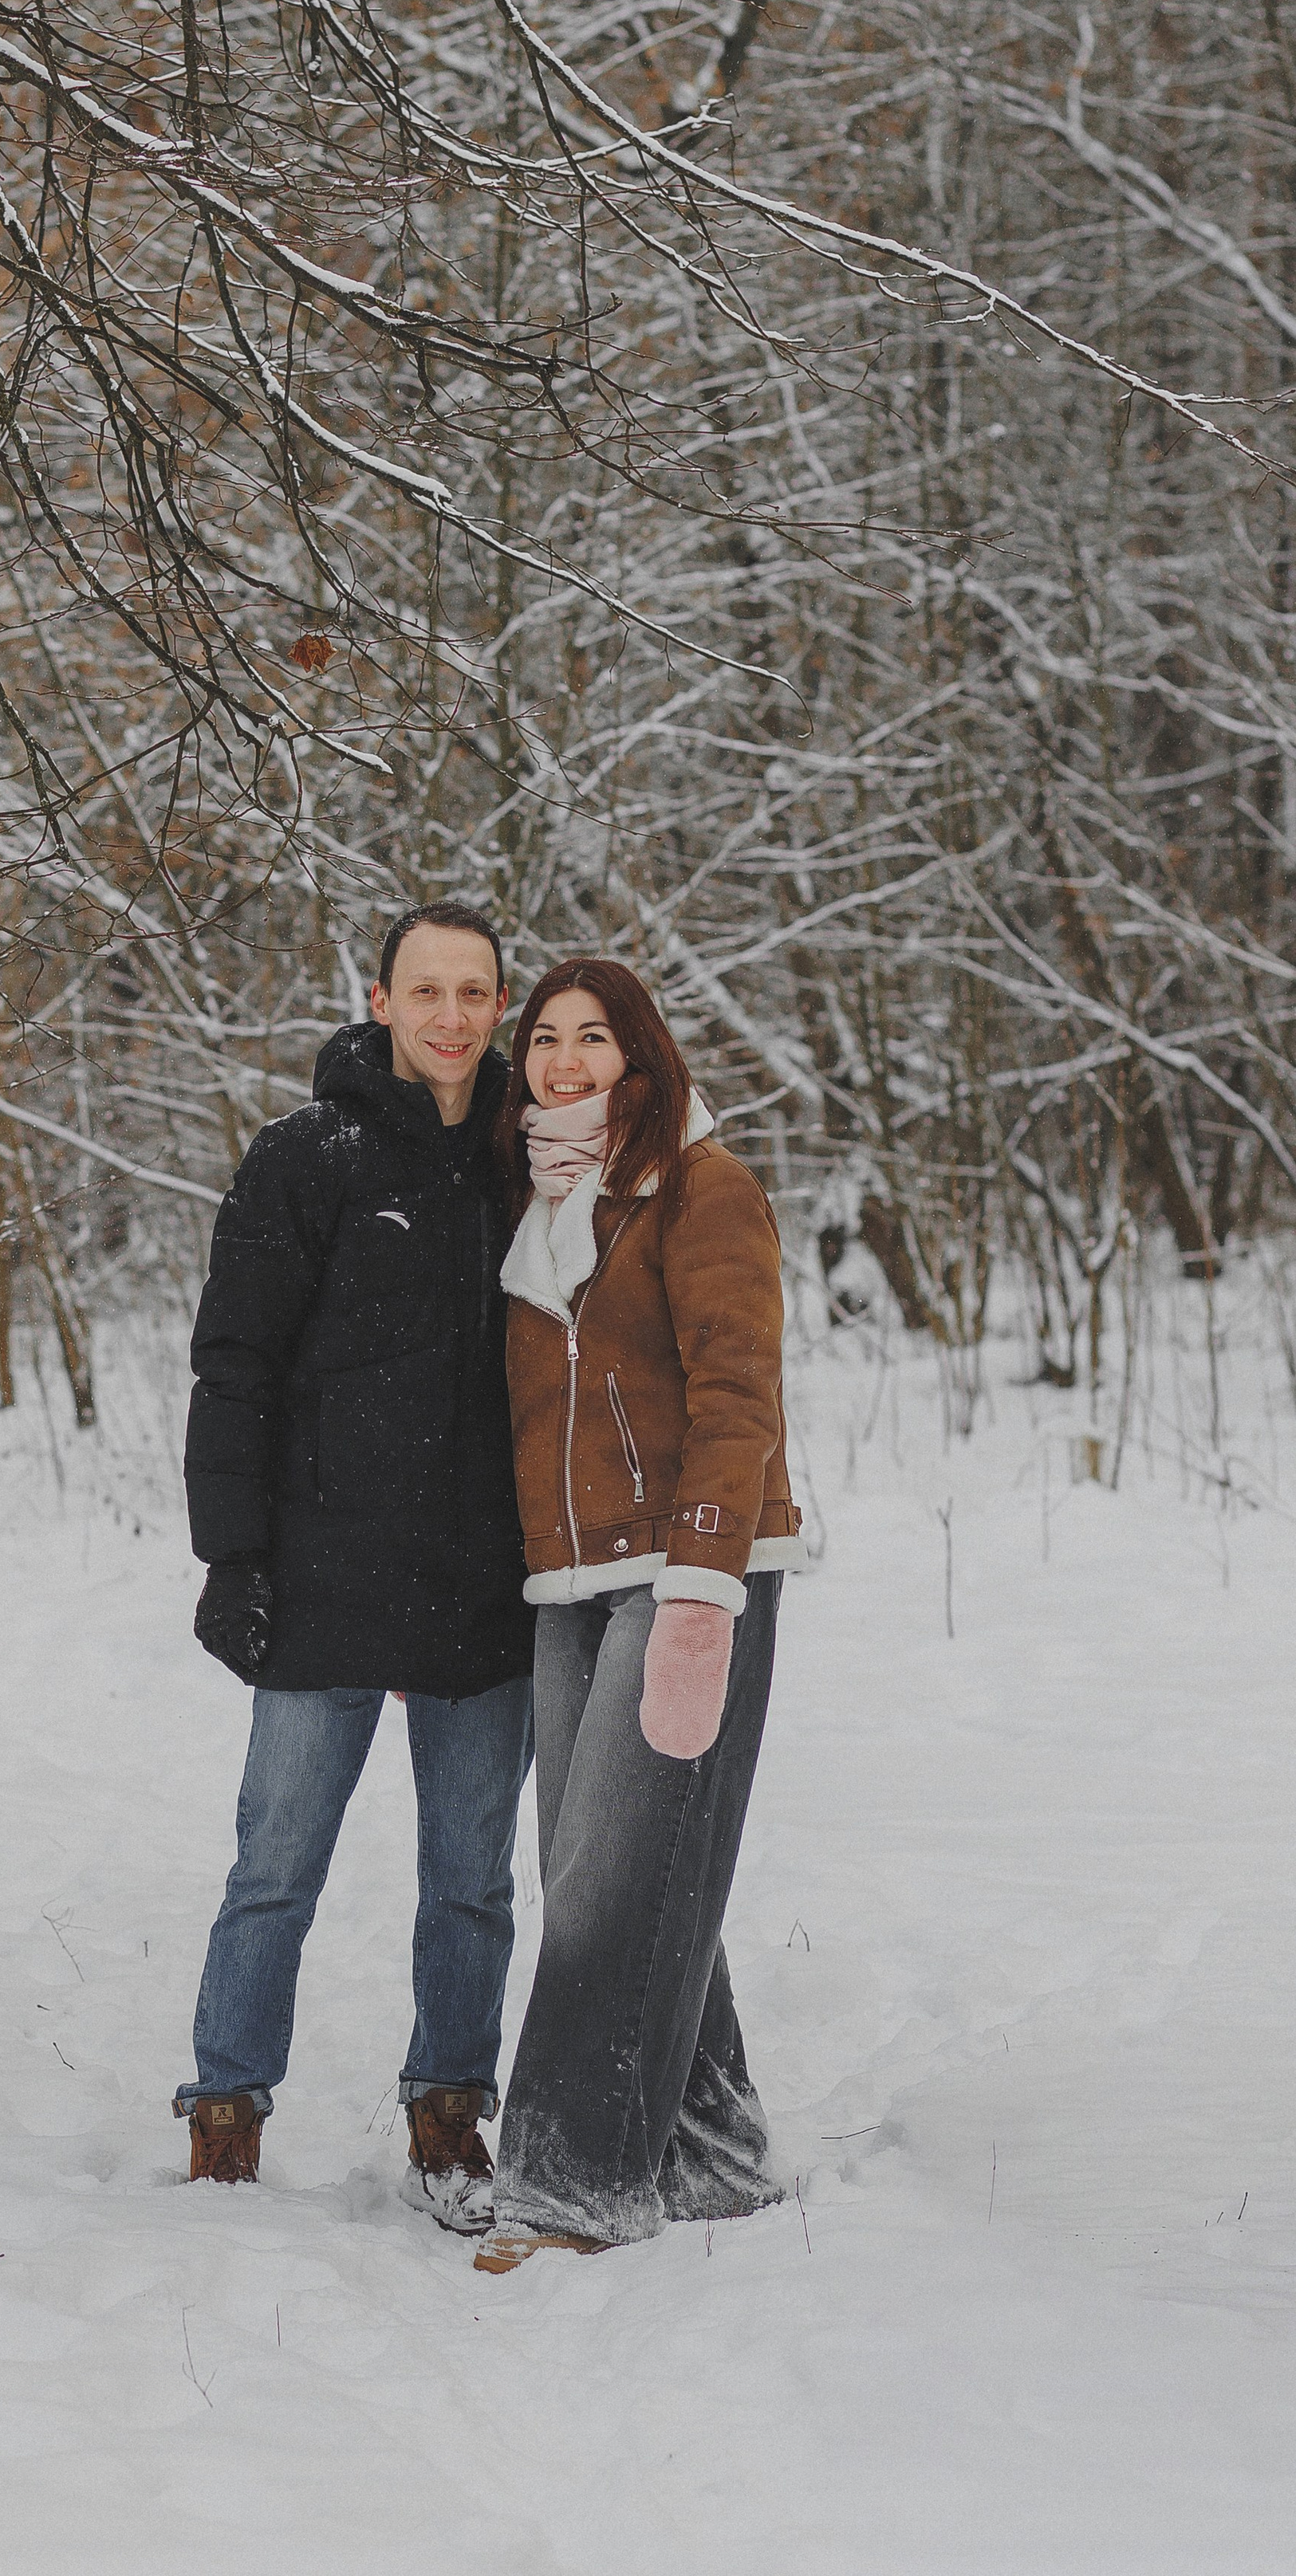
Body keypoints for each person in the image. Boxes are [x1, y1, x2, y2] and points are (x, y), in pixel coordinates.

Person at [176, 904, 535, 2232]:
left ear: (499, 1004)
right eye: (425, 990)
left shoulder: (531, 1162)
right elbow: (235, 1366)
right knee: (274, 1865)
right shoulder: (303, 1157)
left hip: (487, 1584)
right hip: (324, 1576)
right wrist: (234, 1557)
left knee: (472, 1880)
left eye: (474, 991)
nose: (451, 1015)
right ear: (381, 1001)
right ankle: (226, 2107)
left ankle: (450, 2108)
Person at [472, 958, 806, 2273]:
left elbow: (740, 1396)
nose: (564, 1059)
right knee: (608, 1866)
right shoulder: (541, 1200)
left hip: (688, 1571)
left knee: (615, 1878)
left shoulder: (703, 1189)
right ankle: (711, 2148)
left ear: (640, 1055)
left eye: (593, 1036)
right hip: (571, 1584)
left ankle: (573, 2183)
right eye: (544, 1037)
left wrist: (704, 1587)